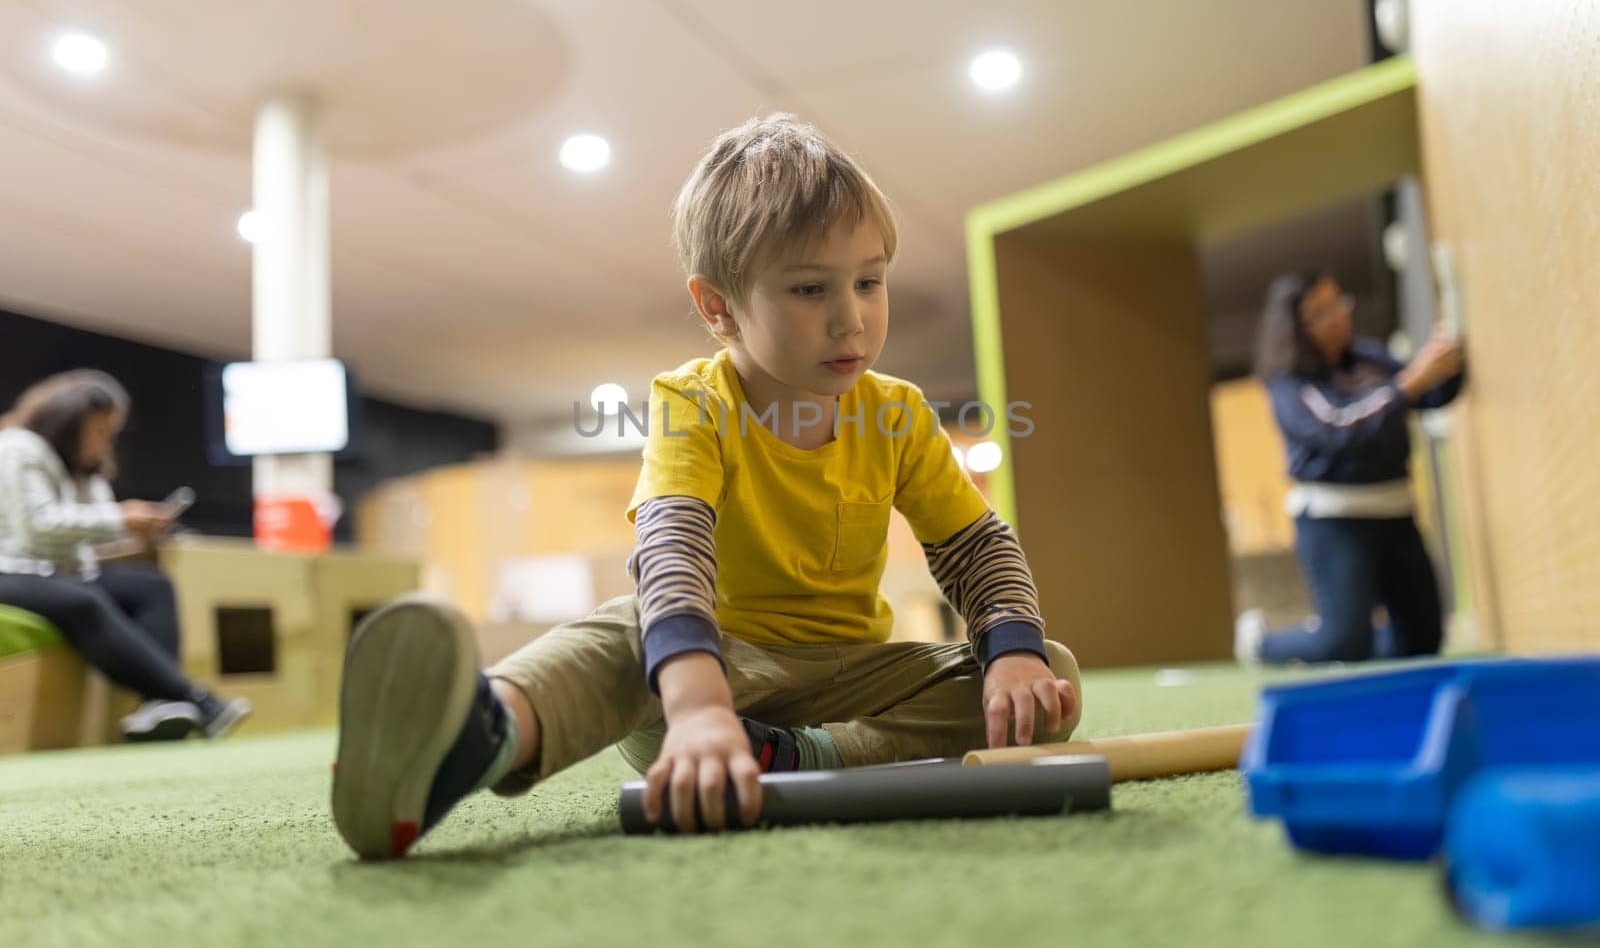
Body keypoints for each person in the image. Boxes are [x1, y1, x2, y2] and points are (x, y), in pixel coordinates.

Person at [332, 114, 1083, 859]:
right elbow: (672, 551)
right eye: (810, 289)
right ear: (718, 306)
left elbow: (977, 547)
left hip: (849, 675)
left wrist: (1013, 652)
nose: (850, 318)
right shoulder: (694, 403)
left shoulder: (899, 414)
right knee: (626, 629)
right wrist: (697, 707)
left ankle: (804, 758)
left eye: (868, 281)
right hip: (711, 669)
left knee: (1048, 676)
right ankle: (473, 737)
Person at [0, 370, 251, 740]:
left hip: (60, 569)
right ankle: (194, 698)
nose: (105, 441)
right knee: (84, 601)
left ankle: (160, 707)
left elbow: (92, 534)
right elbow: (39, 526)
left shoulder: (86, 468)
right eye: (100, 430)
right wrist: (121, 517)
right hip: (11, 570)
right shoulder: (19, 448)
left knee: (152, 586)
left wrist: (141, 533)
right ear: (68, 419)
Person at [1235, 273, 1465, 666]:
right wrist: (1411, 382)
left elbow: (1431, 394)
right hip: (1334, 518)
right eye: (1320, 312)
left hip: (1395, 511)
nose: (1337, 317)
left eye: (1338, 303)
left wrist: (1449, 359)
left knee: (1424, 639)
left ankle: (1360, 643)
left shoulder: (1370, 358)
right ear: (1295, 327)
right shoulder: (1288, 382)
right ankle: (1262, 645)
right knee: (1342, 643)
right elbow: (1340, 429)